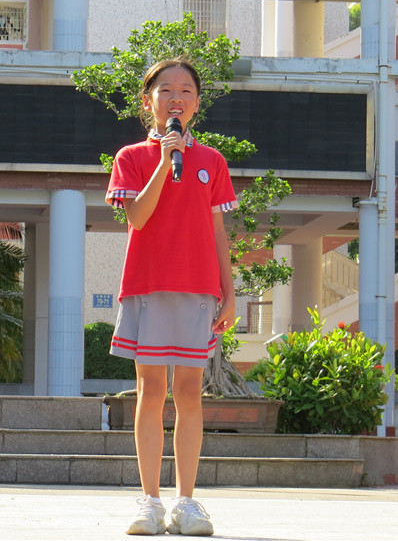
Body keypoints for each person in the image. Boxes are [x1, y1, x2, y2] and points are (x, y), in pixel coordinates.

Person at [105, 58, 238, 536]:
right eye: (165, 90)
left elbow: (218, 231)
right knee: (150, 390)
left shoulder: (213, 162)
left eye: (185, 90)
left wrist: (230, 292)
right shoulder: (131, 157)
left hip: (199, 287)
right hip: (147, 284)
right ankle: (150, 502)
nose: (176, 98)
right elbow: (137, 217)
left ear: (197, 103)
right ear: (149, 101)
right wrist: (165, 162)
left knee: (189, 393)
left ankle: (187, 502)